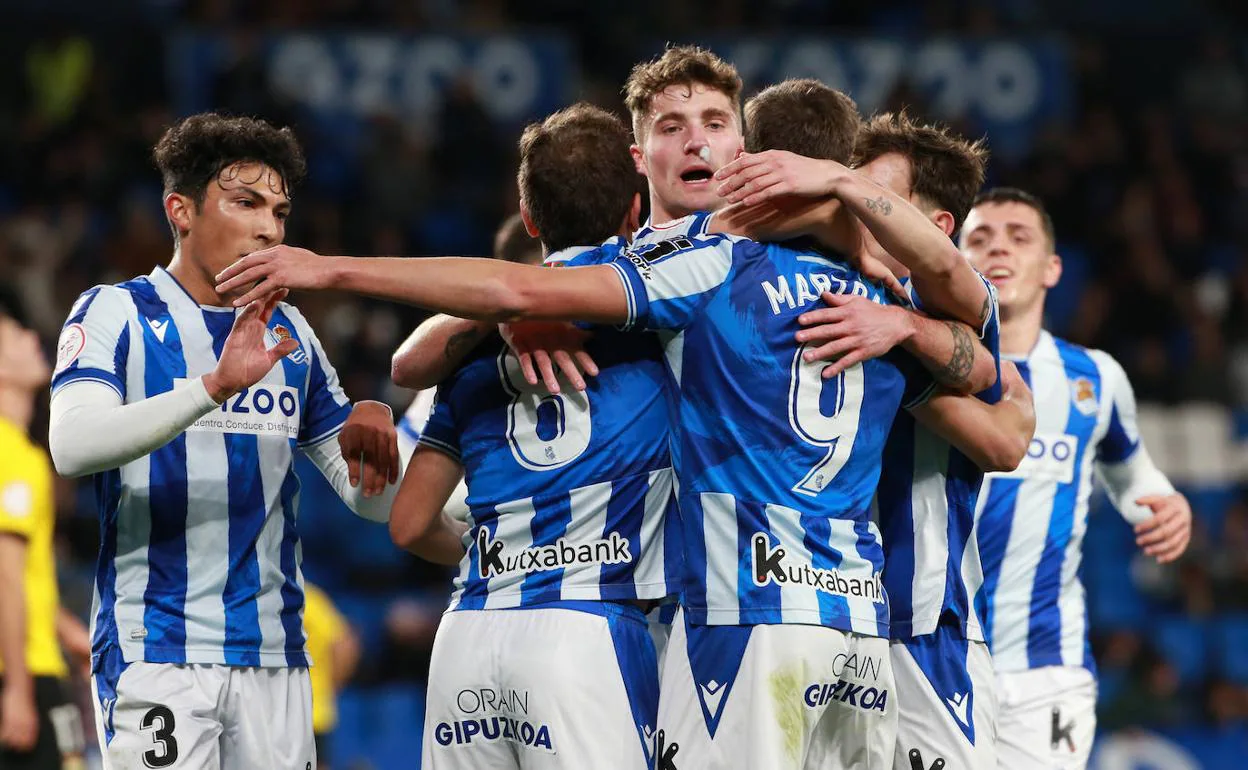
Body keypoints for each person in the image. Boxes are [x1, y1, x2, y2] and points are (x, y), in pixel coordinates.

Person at [46, 113, 402, 769]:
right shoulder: (115, 312)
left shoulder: (290, 332)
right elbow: (72, 444)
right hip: (154, 648)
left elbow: (369, 503)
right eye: (246, 202)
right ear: (180, 210)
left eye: (280, 210)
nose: (269, 227)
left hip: (277, 655)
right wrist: (212, 385)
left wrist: (383, 449)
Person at [713, 111, 1027, 768]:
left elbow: (1005, 438)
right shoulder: (812, 290)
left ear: (934, 226)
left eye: (873, 196)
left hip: (922, 635)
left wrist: (904, 333)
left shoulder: (947, 307)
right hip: (820, 615)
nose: (850, 205)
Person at [390, 103, 680, 769]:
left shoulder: (469, 358)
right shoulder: (659, 317)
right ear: (635, 212)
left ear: (529, 219)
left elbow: (408, 524)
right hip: (589, 626)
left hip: (467, 636)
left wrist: (506, 557)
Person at [960, 187, 1193, 769]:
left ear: (1052, 267)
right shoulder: (916, 360)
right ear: (953, 256)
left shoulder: (1096, 378)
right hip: (931, 655)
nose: (999, 251)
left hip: (1046, 669)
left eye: (1020, 237)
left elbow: (1131, 472)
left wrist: (1164, 503)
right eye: (980, 238)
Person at [0, 286, 87, 770]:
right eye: (13, 337)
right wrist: (16, 689)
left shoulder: (19, 452)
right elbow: (5, 576)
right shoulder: (12, 457)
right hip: (25, 671)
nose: (33, 338)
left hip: (37, 661)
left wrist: (66, 629)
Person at [301, 582, 359, 770]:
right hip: (316, 709)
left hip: (306, 710)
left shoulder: (302, 597)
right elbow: (345, 643)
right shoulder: (310, 596)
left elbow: (345, 645)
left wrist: (333, 685)